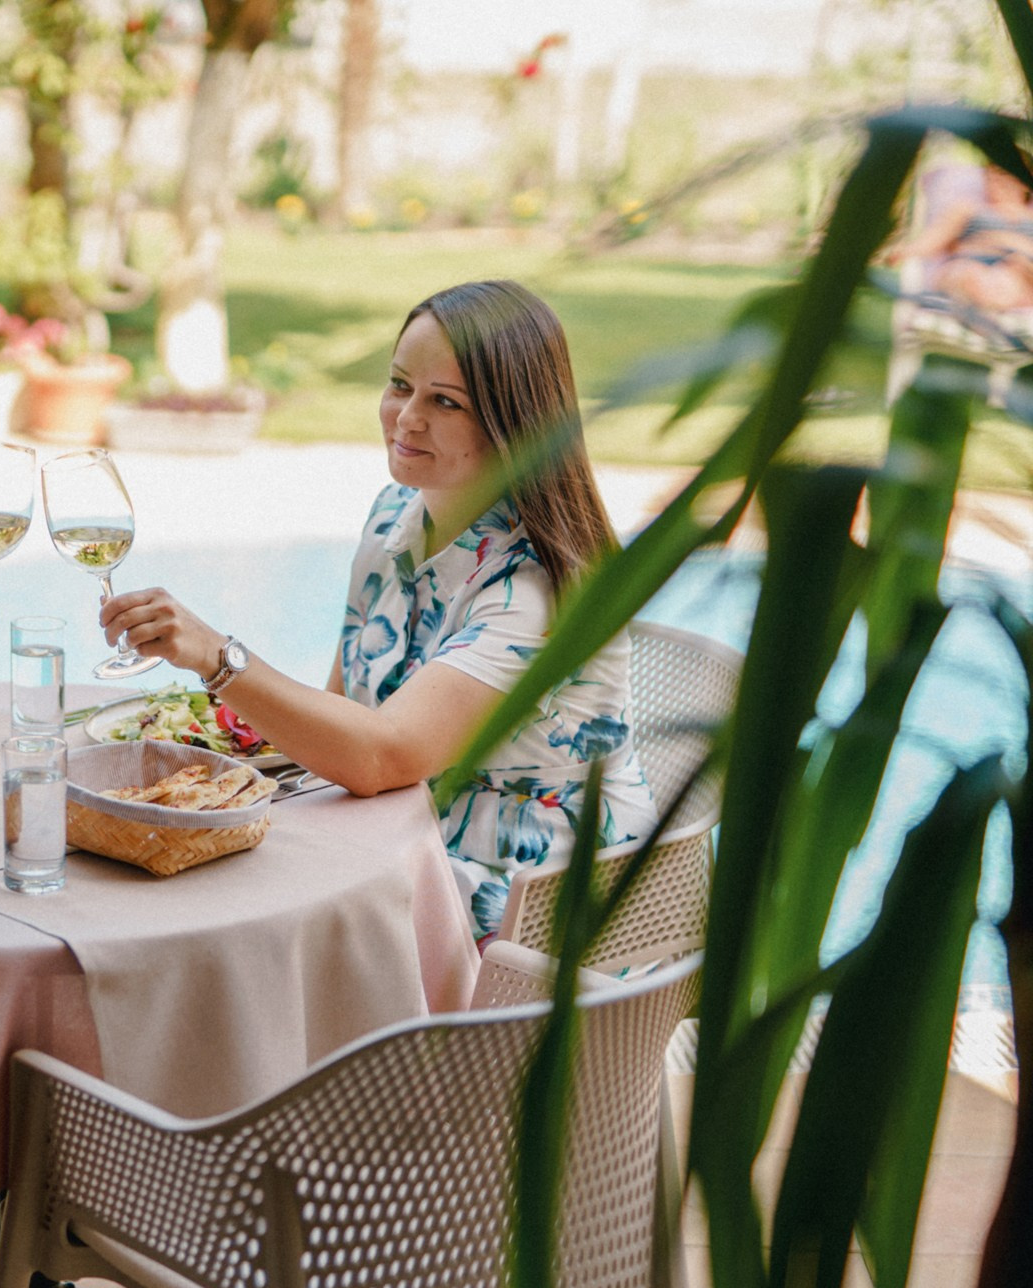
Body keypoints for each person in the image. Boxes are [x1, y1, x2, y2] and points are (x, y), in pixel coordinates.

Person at [100, 280, 655, 941]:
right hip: (407, 858)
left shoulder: (534, 594)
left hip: (533, 927)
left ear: (515, 425)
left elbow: (381, 754)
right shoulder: (396, 517)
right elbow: (344, 710)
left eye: (444, 401)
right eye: (399, 385)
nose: (406, 417)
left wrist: (218, 658)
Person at [888, 164, 1033, 317]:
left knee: (1010, 279)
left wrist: (1010, 244)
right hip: (970, 264)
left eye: (1008, 176)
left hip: (1018, 271)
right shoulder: (968, 209)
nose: (999, 181)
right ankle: (987, 310)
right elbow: (934, 239)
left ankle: (991, 310)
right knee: (967, 276)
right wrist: (904, 251)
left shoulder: (1029, 218)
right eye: (992, 176)